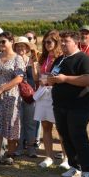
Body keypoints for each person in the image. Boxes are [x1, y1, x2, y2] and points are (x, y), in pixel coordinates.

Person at [48, 30, 89, 177]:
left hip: (78, 105)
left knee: (78, 136)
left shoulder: (84, 59)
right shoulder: (60, 60)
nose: (62, 44)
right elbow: (54, 77)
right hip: (60, 105)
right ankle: (74, 166)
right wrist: (50, 80)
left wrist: (65, 79)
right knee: (65, 136)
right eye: (61, 41)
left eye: (66, 41)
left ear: (76, 43)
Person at [0, 32, 26, 165]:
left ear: (11, 42)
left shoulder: (17, 58)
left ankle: (10, 154)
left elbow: (19, 78)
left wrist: (2, 89)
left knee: (10, 124)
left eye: (3, 42)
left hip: (10, 96)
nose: (0, 44)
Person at [34, 30, 66, 169]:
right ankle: (49, 156)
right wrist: (34, 64)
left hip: (57, 93)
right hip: (43, 93)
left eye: (49, 42)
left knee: (61, 128)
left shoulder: (62, 58)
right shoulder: (43, 58)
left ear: (56, 42)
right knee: (46, 126)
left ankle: (66, 158)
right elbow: (37, 78)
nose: (46, 45)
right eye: (44, 42)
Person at [14, 36, 39, 158]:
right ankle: (18, 148)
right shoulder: (12, 60)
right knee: (18, 122)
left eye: (23, 46)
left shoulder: (32, 60)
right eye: (18, 46)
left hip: (30, 95)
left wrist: (34, 65)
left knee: (30, 123)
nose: (20, 48)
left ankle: (31, 148)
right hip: (16, 94)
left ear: (27, 48)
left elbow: (36, 78)